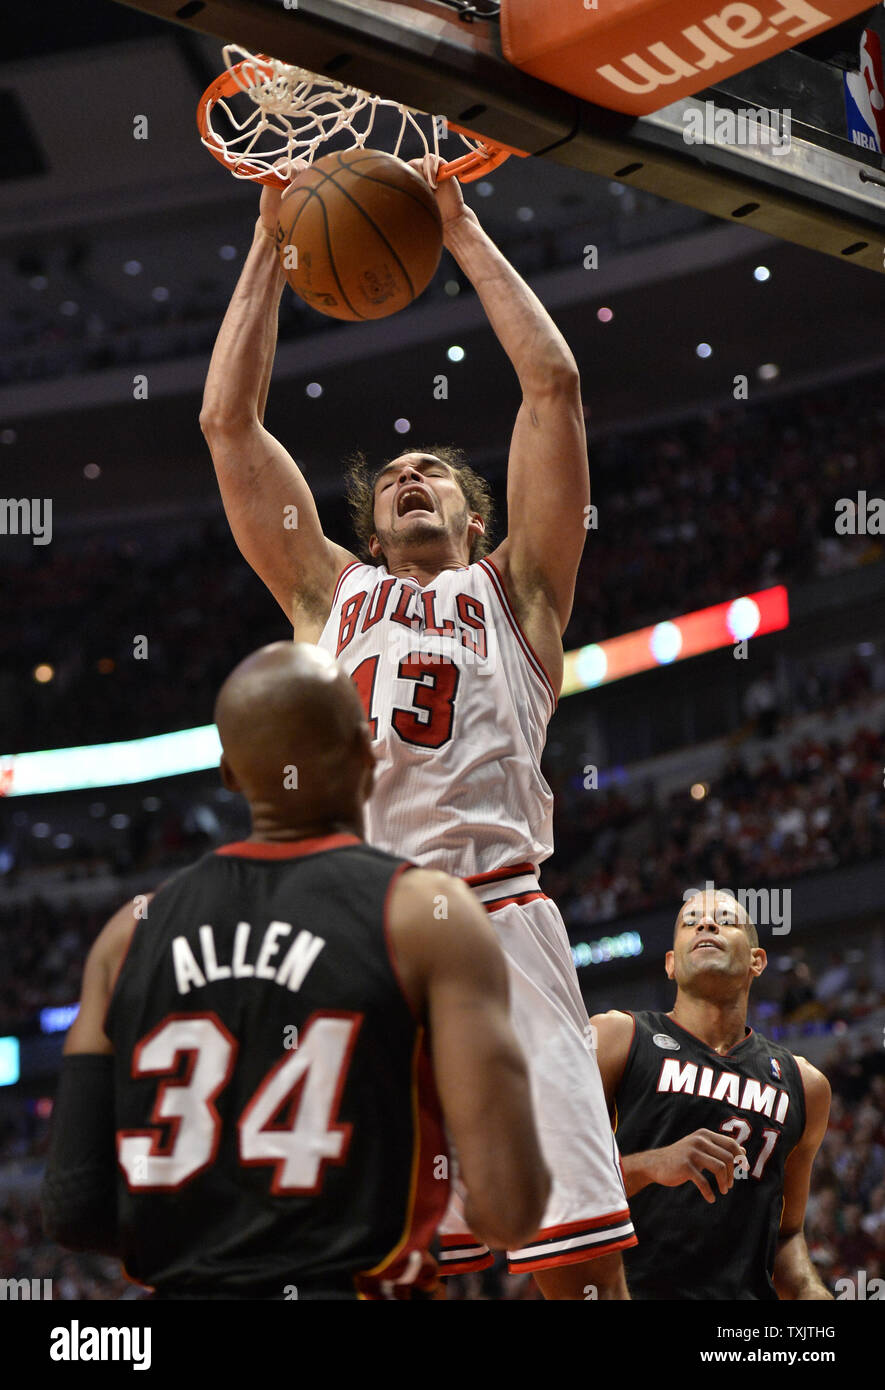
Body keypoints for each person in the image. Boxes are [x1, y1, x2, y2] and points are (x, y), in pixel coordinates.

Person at [199, 158, 635, 1298]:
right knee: (393, 1276)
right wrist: (272, 241)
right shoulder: (324, 593)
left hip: (498, 917)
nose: (408, 475)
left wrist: (459, 226)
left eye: (433, 471)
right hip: (366, 933)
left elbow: (553, 388)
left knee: (578, 1272)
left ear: (474, 513)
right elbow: (227, 424)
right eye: (393, 472)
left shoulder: (519, 591)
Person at [41, 642, 550, 1300]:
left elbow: (74, 1206)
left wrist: (217, 1241)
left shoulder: (126, 935)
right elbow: (509, 1207)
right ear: (368, 751)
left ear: (229, 772)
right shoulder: (423, 914)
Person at [591, 887, 833, 1300]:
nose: (705, 924)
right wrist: (650, 1165)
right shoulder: (616, 1038)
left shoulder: (805, 1084)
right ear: (670, 964)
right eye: (690, 922)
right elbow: (555, 1183)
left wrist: (812, 1292)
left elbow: (787, 1235)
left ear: (757, 961)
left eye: (725, 919)